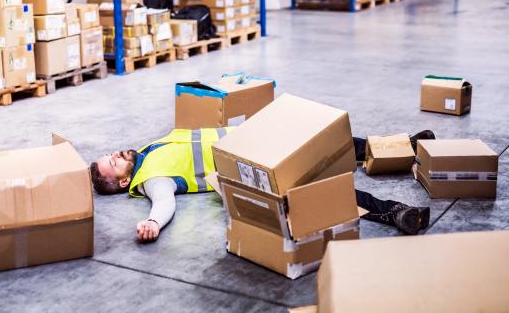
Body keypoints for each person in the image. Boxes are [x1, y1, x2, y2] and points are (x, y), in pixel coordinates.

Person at [91, 128, 436, 242]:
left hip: (253, 137)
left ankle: (403, 146)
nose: (116, 154)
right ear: (123, 181)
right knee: (314, 191)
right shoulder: (152, 180)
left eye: (111, 154)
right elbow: (163, 203)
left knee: (327, 138)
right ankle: (396, 213)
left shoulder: (148, 150)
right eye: (113, 162)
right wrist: (153, 222)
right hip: (251, 166)